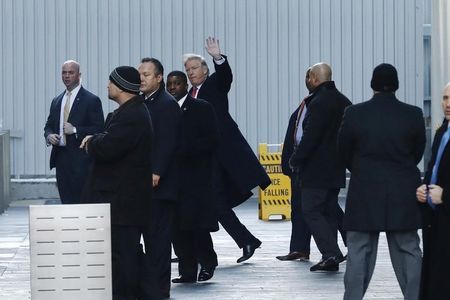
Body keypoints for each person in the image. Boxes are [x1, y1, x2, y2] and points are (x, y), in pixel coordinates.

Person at [338, 63, 425, 300]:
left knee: (358, 252)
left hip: (364, 191)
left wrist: (362, 170)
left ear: (372, 84)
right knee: (409, 249)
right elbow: (417, 152)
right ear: (396, 85)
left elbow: (343, 150)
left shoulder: (354, 113)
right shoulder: (414, 114)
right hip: (403, 191)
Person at [184, 37, 271, 263]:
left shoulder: (213, 85)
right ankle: (245, 241)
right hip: (202, 158)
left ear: (205, 70)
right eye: (187, 69)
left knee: (213, 202)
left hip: (220, 156)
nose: (191, 73)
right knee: (214, 204)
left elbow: (225, 77)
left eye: (194, 68)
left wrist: (218, 58)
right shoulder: (189, 95)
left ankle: (238, 242)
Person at [80, 66, 153, 299]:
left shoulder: (131, 116)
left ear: (122, 87)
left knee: (124, 257)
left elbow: (109, 147)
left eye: (111, 82)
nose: (107, 86)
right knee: (120, 255)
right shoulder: (127, 112)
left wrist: (92, 141)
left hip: (124, 202)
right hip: (121, 201)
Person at [277, 67, 347, 261]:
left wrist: (295, 159)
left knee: (311, 210)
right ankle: (329, 255)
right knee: (329, 211)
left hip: (315, 169)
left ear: (314, 78)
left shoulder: (317, 103)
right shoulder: (343, 101)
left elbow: (310, 136)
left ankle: (331, 253)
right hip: (335, 168)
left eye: (307, 76)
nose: (306, 80)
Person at [166, 71, 219, 283]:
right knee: (177, 228)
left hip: (195, 178)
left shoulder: (202, 107)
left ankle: (207, 263)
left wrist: (184, 149)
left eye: (177, 83)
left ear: (185, 85)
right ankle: (186, 270)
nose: (172, 88)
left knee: (197, 226)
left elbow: (212, 140)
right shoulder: (165, 110)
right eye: (169, 84)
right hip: (173, 178)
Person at [139, 58, 181, 298]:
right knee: (150, 238)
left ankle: (159, 289)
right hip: (146, 185)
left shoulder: (165, 104)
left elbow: (167, 141)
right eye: (140, 74)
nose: (141, 78)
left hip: (160, 185)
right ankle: (151, 286)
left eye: (146, 74)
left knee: (158, 240)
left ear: (159, 78)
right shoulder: (144, 102)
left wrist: (157, 171)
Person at [44, 60, 104, 204]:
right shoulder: (57, 100)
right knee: (66, 202)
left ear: (79, 75)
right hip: (61, 159)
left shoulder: (91, 100)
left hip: (81, 160)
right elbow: (48, 125)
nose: (67, 76)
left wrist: (75, 130)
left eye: (71, 72)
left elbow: (99, 129)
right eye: (64, 72)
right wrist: (49, 135)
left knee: (81, 203)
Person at [416, 82, 450, 300]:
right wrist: (424, 187)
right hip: (437, 222)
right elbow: (434, 167)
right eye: (445, 98)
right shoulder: (442, 131)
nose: (448, 104)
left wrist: (445, 196)